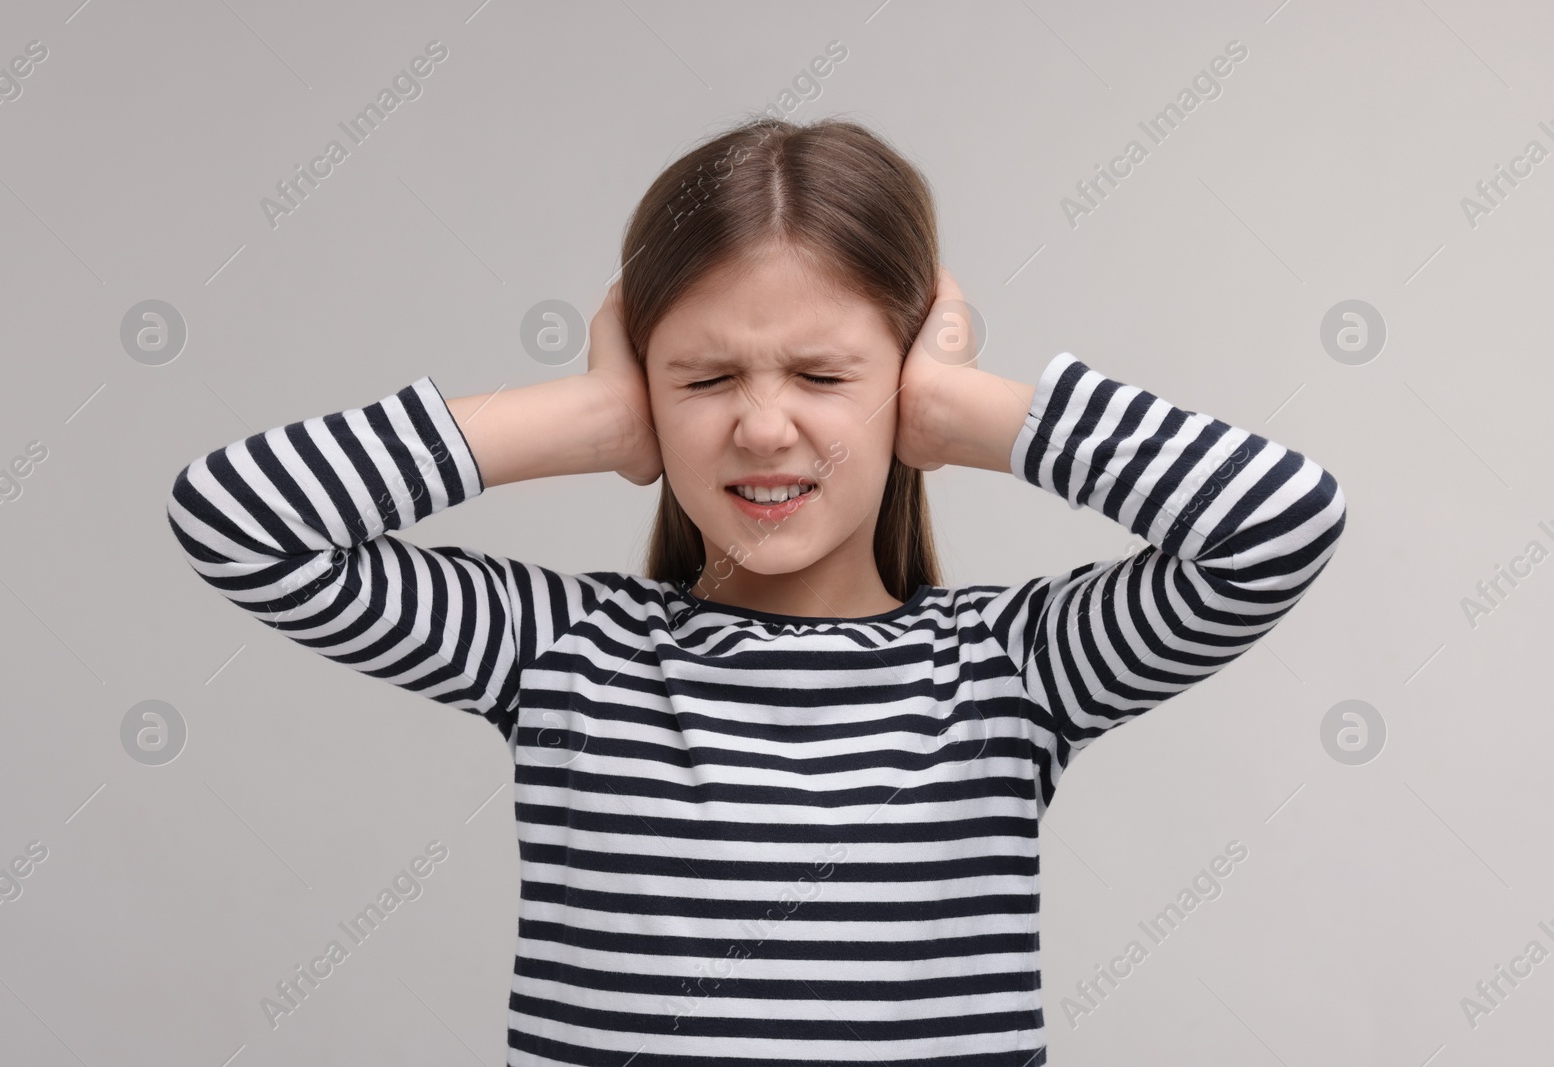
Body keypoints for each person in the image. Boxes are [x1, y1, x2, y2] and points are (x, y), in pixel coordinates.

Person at [166, 116, 1346, 1066]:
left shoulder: (1009, 669)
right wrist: (586, 420)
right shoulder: (562, 650)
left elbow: (1276, 523)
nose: (763, 423)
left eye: (827, 373)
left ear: (903, 381)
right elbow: (241, 518)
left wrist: (965, 408)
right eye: (705, 374)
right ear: (645, 384)